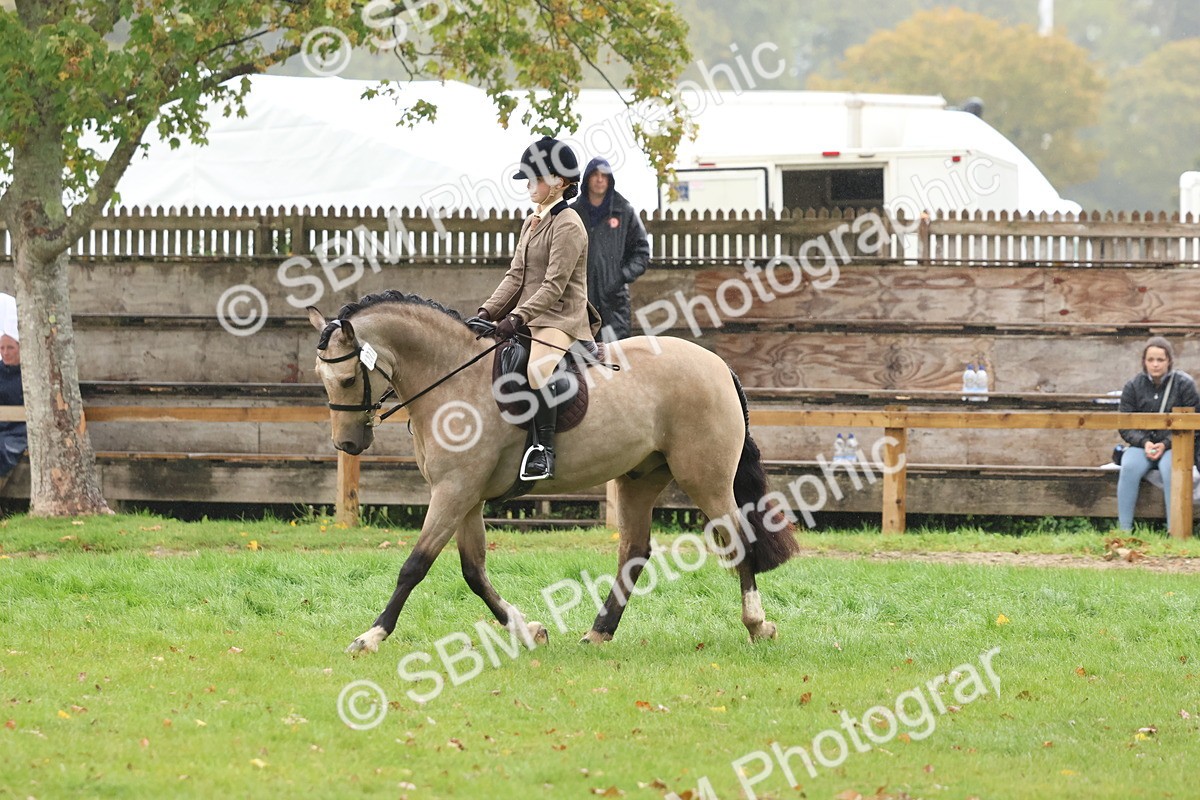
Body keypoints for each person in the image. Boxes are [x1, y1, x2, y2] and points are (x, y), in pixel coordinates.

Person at [467, 136, 593, 481]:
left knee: (538, 370)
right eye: (529, 179)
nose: (530, 186)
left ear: (561, 183)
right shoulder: (533, 221)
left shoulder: (568, 224)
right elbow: (516, 276)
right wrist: (487, 313)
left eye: (537, 179)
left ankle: (543, 451)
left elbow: (553, 285)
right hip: (529, 316)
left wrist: (517, 317)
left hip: (559, 317)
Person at [1116, 336, 1200, 531]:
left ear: (1169, 361)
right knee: (1128, 467)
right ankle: (1124, 530)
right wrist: (1144, 442)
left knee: (1171, 469)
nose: (1155, 364)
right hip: (1142, 445)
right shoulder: (1133, 385)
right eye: (1150, 360)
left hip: (1173, 444)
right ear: (1144, 361)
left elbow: (1192, 423)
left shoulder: (1184, 384)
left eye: (1160, 360)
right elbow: (1125, 425)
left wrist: (1165, 443)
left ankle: (1175, 530)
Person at [571, 157, 650, 339]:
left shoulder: (624, 212)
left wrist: (621, 275)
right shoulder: (573, 213)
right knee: (580, 359)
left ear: (610, 180)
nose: (600, 180)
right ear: (587, 179)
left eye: (604, 176)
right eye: (595, 175)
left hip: (613, 300)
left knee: (614, 358)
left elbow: (642, 251)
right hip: (579, 300)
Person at [0, 293, 25, 480]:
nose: (6, 353)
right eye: (2, 348)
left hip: (18, 431)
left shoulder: (28, 374)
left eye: (10, 348)